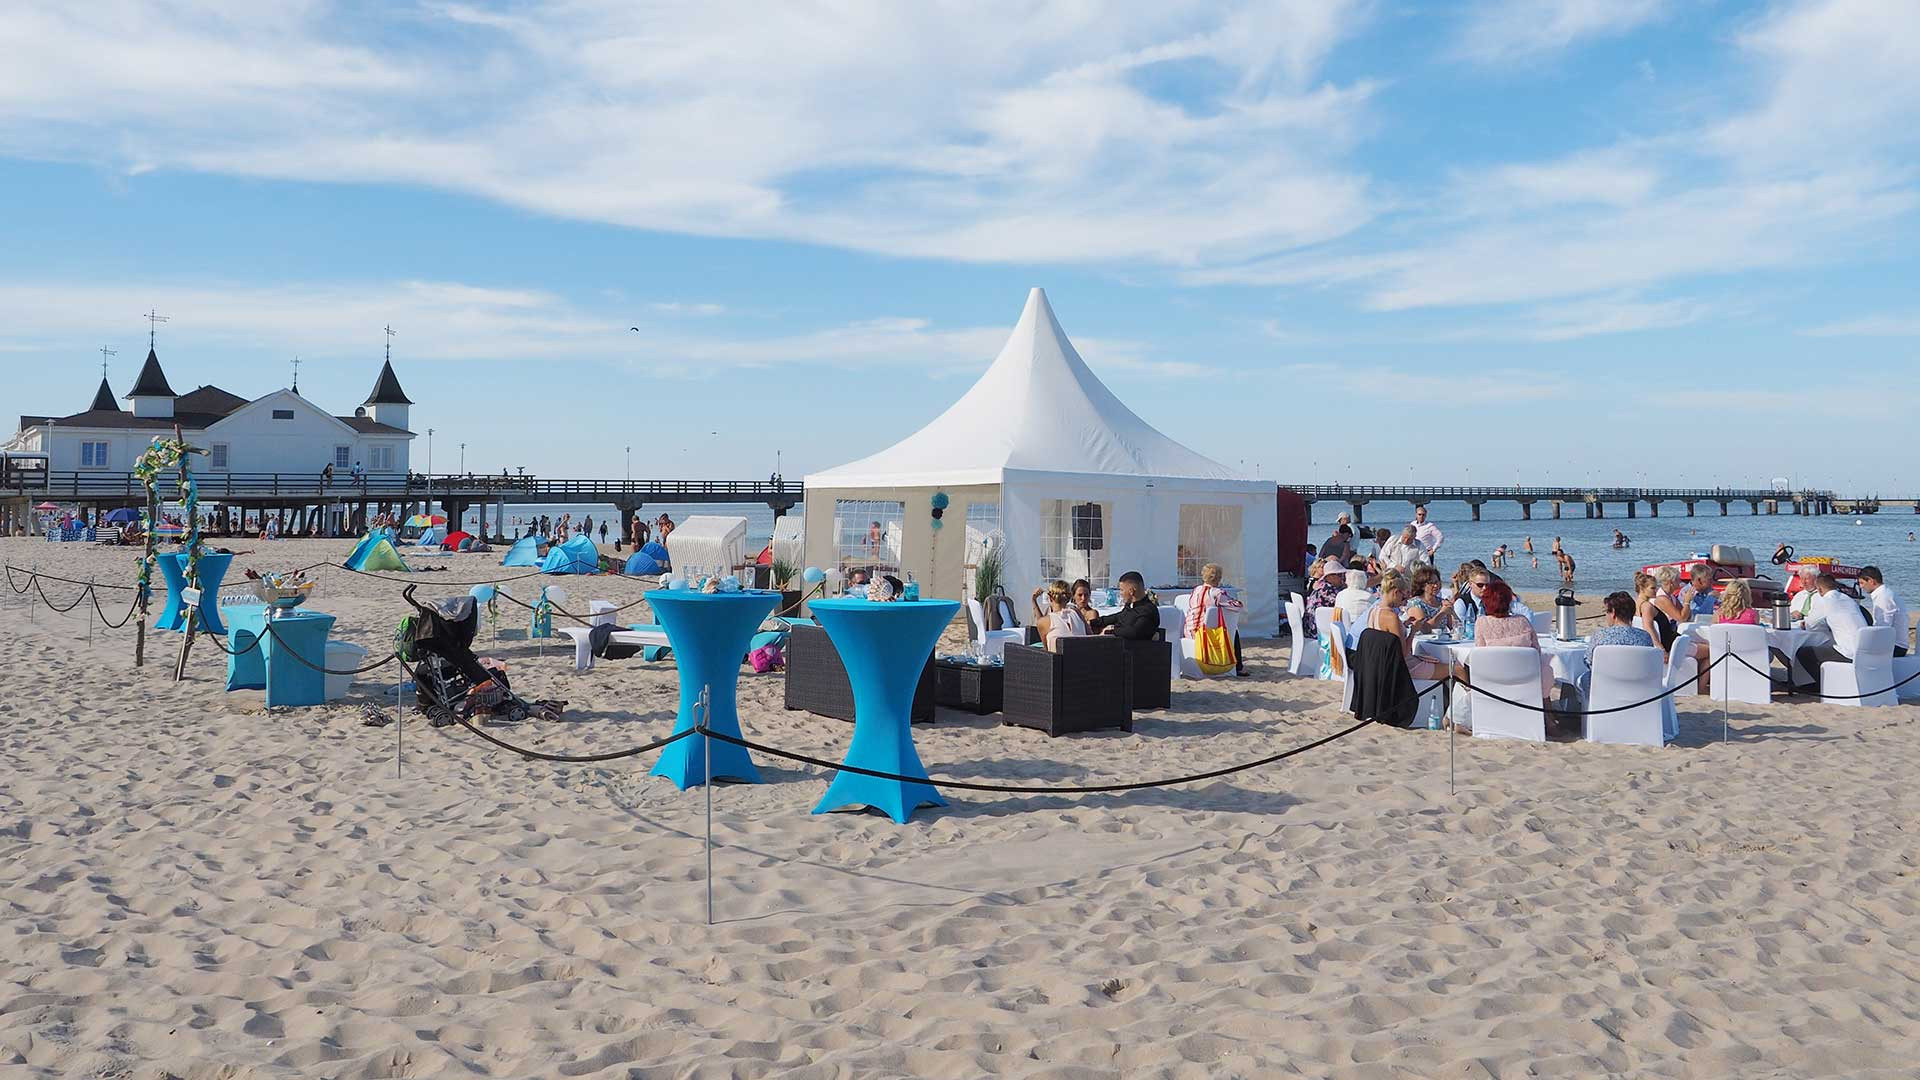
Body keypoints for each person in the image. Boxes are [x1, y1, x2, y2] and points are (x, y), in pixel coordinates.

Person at [1473, 578, 1555, 707]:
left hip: (1494, 679)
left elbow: (1481, 655)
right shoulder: (1522, 621)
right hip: (1525, 679)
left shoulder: (1482, 623)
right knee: (1546, 669)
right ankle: (1547, 713)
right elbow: (1536, 651)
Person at [1796, 574, 1868, 693]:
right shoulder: (1848, 599)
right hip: (1864, 649)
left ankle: (1822, 685)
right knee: (1827, 645)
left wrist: (1805, 623)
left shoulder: (1825, 601)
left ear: (1819, 589)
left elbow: (1811, 625)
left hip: (1848, 652)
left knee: (1804, 652)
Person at [1578, 591, 1656, 699]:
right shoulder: (1645, 637)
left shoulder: (1600, 636)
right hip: (1638, 688)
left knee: (1582, 679)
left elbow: (1588, 661)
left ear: (1613, 612)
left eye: (1606, 612)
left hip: (1605, 688)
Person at [1183, 562, 1247, 675]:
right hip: (1204, 634)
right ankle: (1239, 667)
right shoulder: (1218, 593)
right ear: (1218, 578)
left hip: (1189, 631)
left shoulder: (1196, 590)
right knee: (1234, 631)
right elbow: (1237, 606)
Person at [1090, 570, 1162, 640]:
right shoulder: (1130, 606)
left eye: (1122, 590)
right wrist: (1093, 622)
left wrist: (1112, 631)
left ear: (1131, 591)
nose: (1120, 593)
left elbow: (1135, 632)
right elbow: (1118, 617)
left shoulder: (1148, 611)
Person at [1859, 566, 1909, 656]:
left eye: (1862, 583)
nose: (1861, 586)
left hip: (1895, 647)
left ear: (1871, 581)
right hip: (1896, 644)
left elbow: (1882, 628)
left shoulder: (1883, 597)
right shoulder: (1886, 593)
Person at [1032, 579, 1087, 653]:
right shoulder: (1076, 612)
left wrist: (1033, 601)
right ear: (1068, 597)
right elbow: (1090, 636)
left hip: (1059, 663)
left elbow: (1047, 651)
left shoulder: (1044, 621)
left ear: (1050, 597)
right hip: (1083, 660)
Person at [1403, 564, 1455, 636]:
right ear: (1423, 585)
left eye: (1437, 582)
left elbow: (1453, 627)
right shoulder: (1415, 604)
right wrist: (1442, 613)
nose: (1436, 585)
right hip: (1423, 644)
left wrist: (1451, 611)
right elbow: (1425, 629)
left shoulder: (1442, 602)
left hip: (1443, 641)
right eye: (1431, 583)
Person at [1334, 563, 1376, 630]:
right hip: (1362, 632)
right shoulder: (1369, 597)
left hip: (1342, 632)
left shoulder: (1340, 595)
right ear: (1364, 580)